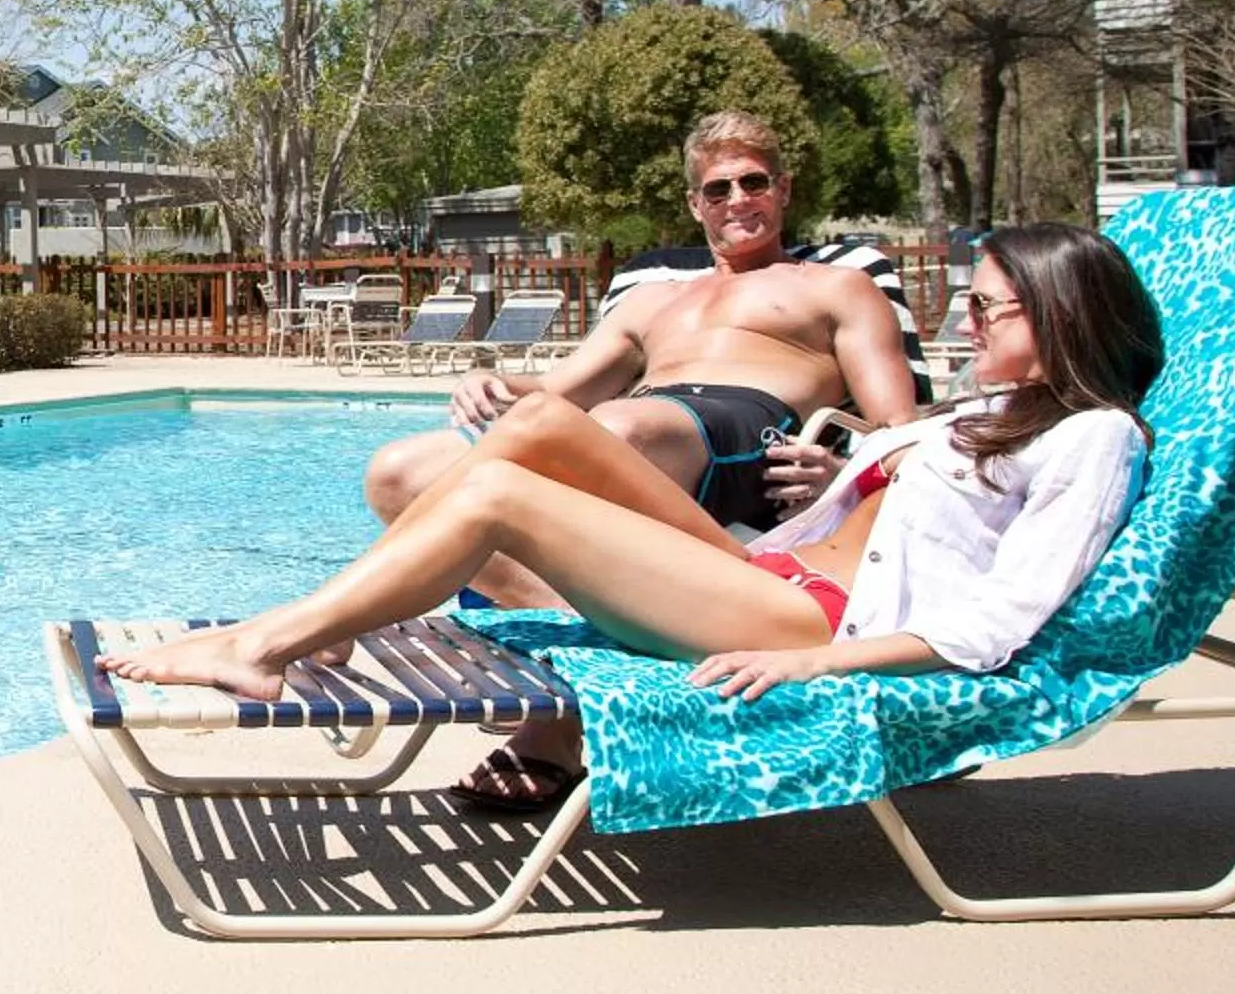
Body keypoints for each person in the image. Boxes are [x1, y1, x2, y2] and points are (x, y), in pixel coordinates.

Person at [115, 222, 1163, 813]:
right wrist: (839, 467)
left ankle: (273, 642)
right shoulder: (990, 409)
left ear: (1065, 317)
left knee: (492, 492)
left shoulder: (1091, 437)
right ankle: (318, 628)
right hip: (771, 568)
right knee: (535, 427)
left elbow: (999, 627)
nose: (965, 320)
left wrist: (819, 666)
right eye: (972, 303)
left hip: (817, 624)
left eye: (991, 308)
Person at [361, 112, 919, 608]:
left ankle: (357, 603)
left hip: (748, 434)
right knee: (398, 473)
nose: (738, 200)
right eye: (718, 189)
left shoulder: (839, 286)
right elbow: (554, 394)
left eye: (754, 183)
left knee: (615, 427)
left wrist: (845, 476)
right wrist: (491, 378)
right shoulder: (654, 299)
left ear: (783, 189)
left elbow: (899, 426)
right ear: (695, 205)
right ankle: (567, 610)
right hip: (643, 427)